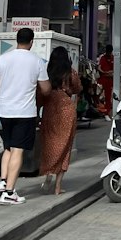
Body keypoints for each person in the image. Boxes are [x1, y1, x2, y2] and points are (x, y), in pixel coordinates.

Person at [0, 27, 49, 205]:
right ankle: (9, 192)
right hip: (25, 113)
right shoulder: (37, 61)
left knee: (9, 148)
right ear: (31, 42)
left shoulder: (2, 59)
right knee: (18, 150)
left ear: (16, 40)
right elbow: (45, 89)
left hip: (5, 112)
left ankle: (3, 181)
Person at [38, 45, 81, 195]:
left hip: (50, 110)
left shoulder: (46, 73)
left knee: (49, 143)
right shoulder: (71, 73)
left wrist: (37, 112)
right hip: (66, 110)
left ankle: (48, 174)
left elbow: (40, 95)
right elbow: (77, 88)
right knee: (65, 147)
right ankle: (58, 186)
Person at [96, 45, 115, 117]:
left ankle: (107, 112)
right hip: (102, 79)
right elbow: (99, 67)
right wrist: (104, 72)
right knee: (99, 95)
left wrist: (111, 72)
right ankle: (101, 111)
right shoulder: (102, 57)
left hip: (109, 80)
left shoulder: (113, 58)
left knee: (108, 97)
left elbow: (115, 69)